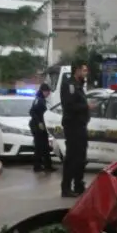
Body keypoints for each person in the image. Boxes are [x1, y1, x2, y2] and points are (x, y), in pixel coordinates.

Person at [60, 62, 91, 198]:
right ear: (77, 70)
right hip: (73, 126)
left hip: (81, 125)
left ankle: (78, 185)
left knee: (81, 157)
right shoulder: (69, 85)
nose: (86, 73)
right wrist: (86, 107)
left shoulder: (79, 85)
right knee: (72, 157)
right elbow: (69, 105)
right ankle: (66, 187)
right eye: (84, 70)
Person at [29, 83, 55, 173]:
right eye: (48, 92)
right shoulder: (39, 100)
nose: (49, 94)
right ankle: (38, 166)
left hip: (42, 126)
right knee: (40, 147)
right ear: (43, 91)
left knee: (44, 147)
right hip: (38, 127)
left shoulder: (41, 99)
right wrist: (39, 122)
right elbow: (32, 112)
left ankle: (47, 166)